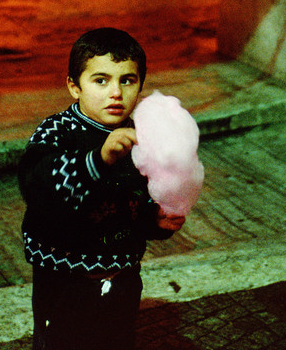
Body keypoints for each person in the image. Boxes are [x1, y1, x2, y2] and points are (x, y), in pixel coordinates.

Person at [19, 27, 186, 350]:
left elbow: (136, 203)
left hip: (122, 277)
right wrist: (99, 158)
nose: (115, 93)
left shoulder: (140, 136)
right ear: (74, 86)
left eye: (127, 80)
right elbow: (40, 188)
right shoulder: (57, 132)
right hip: (65, 282)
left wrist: (157, 220)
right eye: (101, 80)